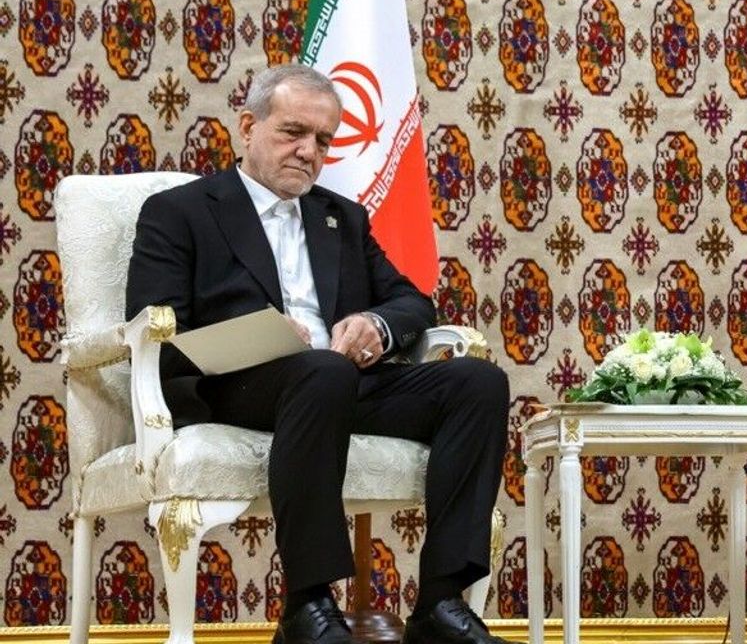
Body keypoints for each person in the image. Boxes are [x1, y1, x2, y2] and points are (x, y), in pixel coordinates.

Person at [126, 63, 518, 644]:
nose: (309, 152)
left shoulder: (341, 217)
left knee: (477, 383)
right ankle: (307, 605)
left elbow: (414, 302)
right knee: (323, 371)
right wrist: (257, 333)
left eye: (324, 140)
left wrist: (375, 325)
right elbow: (159, 331)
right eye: (293, 132)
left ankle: (440, 604)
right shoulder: (181, 211)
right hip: (237, 387)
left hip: (338, 383)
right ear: (248, 127)